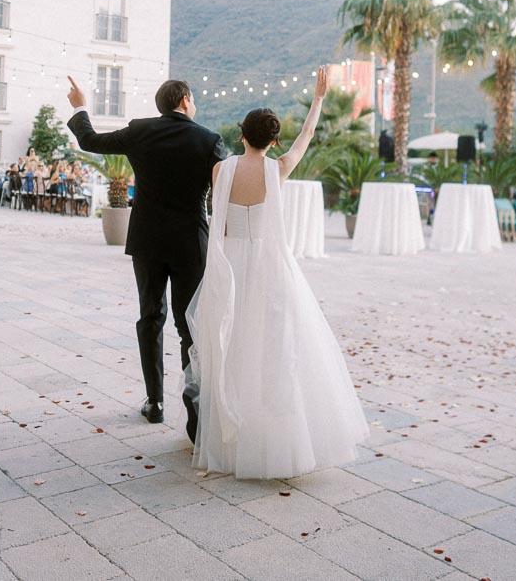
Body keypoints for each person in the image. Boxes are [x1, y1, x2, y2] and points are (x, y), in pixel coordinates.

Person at [186, 65, 368, 478]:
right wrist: (317, 100)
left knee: (232, 348)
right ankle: (273, 442)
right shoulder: (279, 168)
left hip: (231, 263)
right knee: (274, 352)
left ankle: (233, 438)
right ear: (273, 140)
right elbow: (305, 139)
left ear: (241, 134)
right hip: (269, 265)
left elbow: (220, 218)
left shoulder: (222, 169)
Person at [67, 75, 232, 440]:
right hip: (191, 244)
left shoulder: (140, 132)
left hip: (148, 241)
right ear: (186, 100)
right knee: (190, 325)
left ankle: (154, 402)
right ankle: (195, 416)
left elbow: (90, 140)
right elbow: (224, 192)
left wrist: (80, 104)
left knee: (150, 316)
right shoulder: (209, 140)